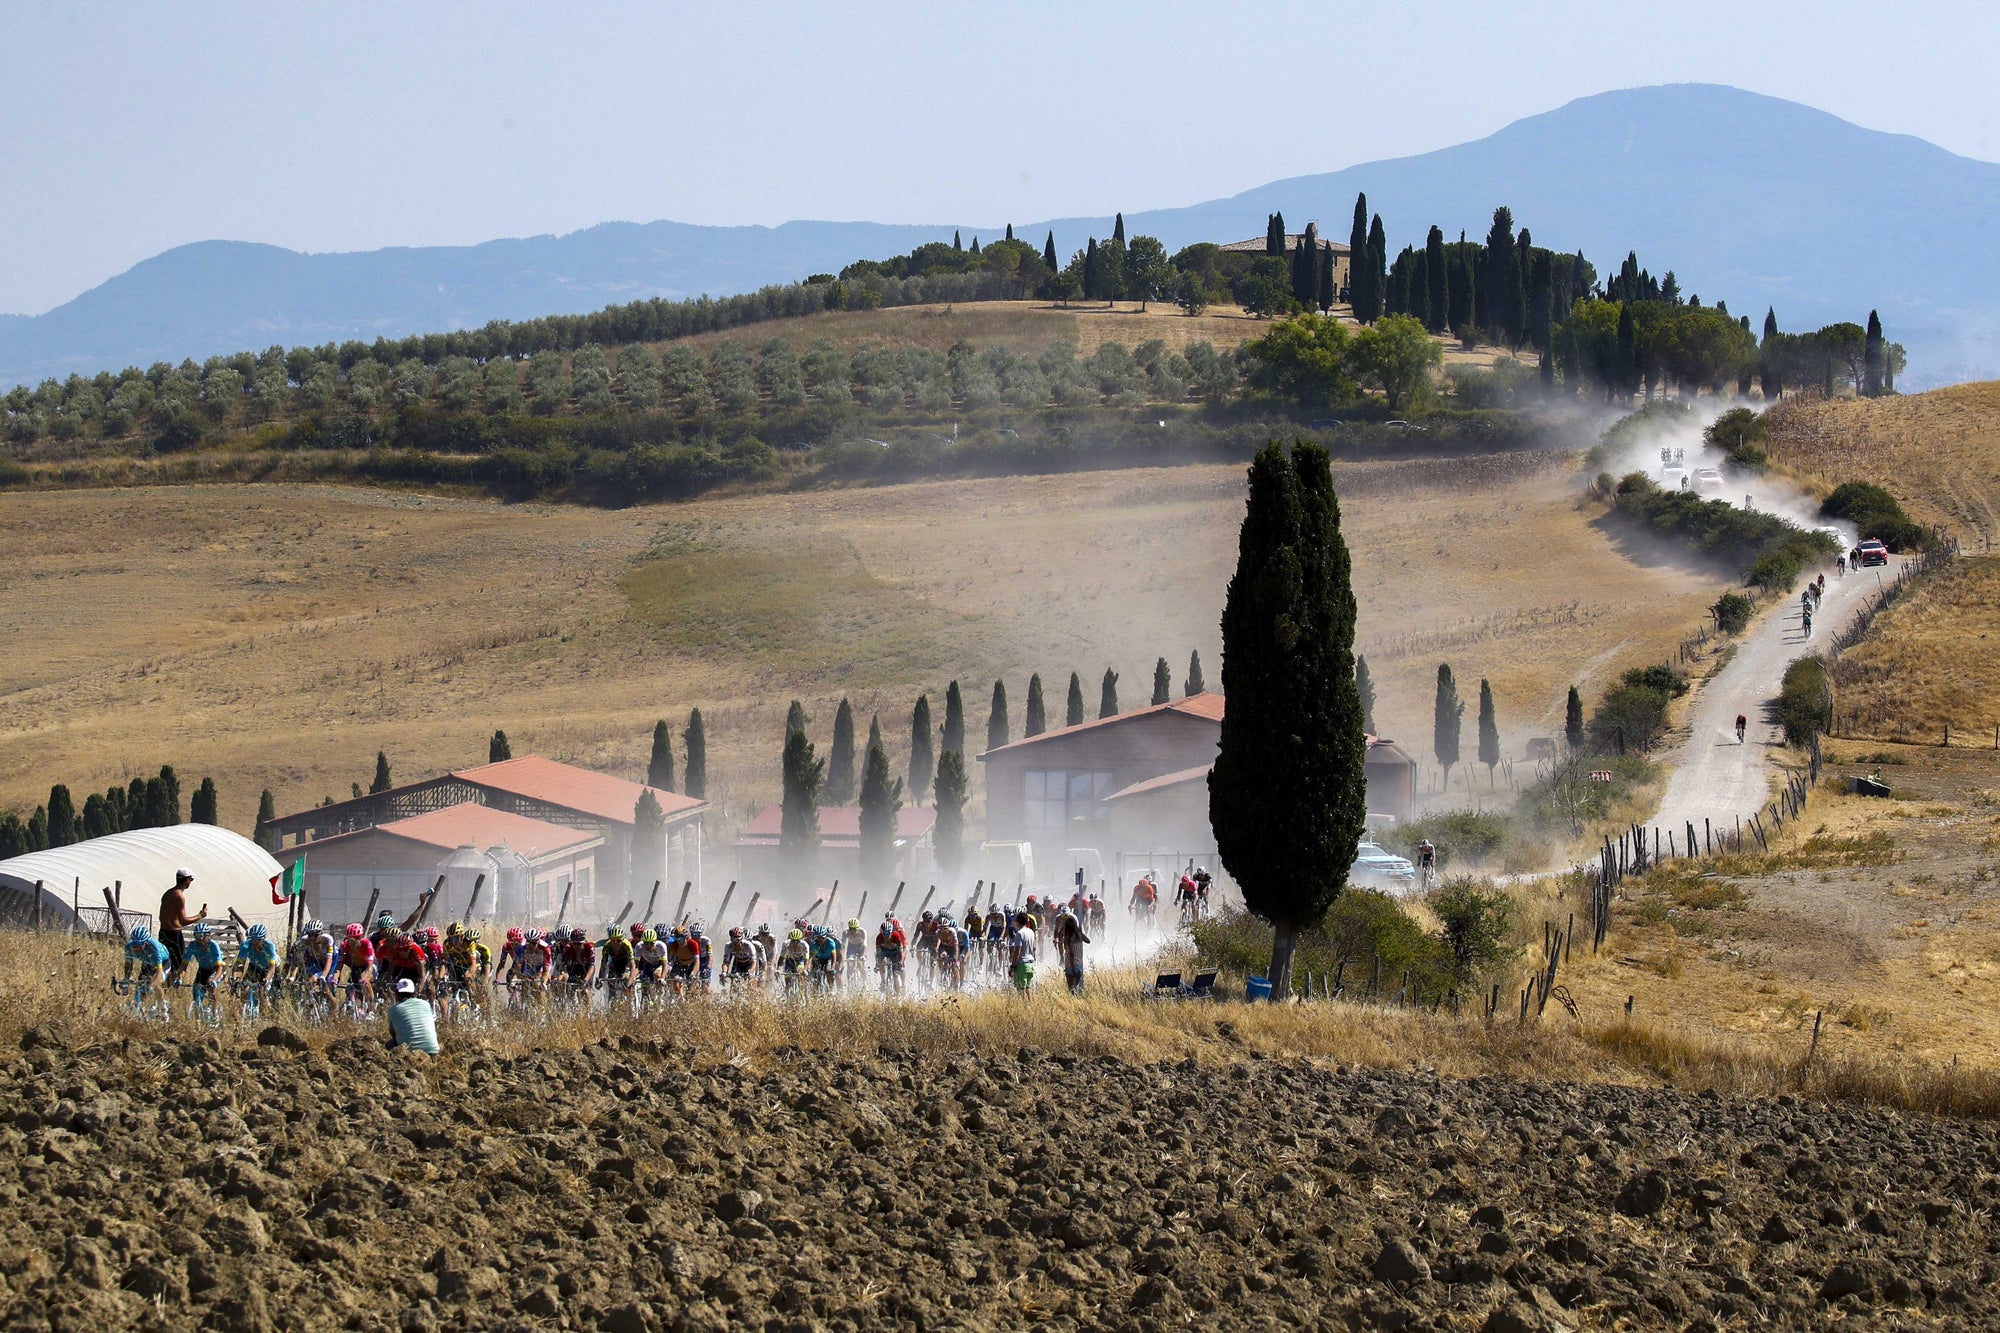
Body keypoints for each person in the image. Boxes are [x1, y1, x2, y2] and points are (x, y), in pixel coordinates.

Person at [156, 869, 206, 983]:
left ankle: (162, 984)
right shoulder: (180, 896)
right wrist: (200, 915)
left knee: (164, 961)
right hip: (174, 934)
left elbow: (162, 916)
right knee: (176, 965)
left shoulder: (168, 893)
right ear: (187, 880)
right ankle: (170, 987)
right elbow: (183, 921)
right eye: (191, 879)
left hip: (163, 932)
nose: (191, 882)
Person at [386, 978, 440, 1055]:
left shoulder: (394, 1009)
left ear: (397, 994)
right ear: (414, 993)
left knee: (390, 1044)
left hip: (409, 1053)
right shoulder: (426, 1004)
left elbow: (393, 1033)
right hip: (432, 1050)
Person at [186, 922, 224, 1012]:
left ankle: (215, 1012)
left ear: (208, 936)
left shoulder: (213, 945)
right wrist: (179, 978)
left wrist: (214, 980)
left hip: (216, 969)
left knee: (210, 984)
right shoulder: (192, 945)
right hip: (203, 969)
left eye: (202, 936)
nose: (200, 939)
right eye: (197, 936)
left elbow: (220, 967)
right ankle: (199, 1012)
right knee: (196, 991)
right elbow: (184, 964)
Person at [1052, 906, 1090, 994]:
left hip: (1071, 966)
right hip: (1078, 964)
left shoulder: (1073, 917)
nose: (1064, 918)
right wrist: (1056, 938)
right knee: (1078, 988)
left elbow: (1071, 953)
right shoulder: (1058, 918)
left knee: (1071, 988)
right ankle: (1061, 956)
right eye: (1063, 917)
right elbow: (1056, 930)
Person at [1006, 913, 1036, 992]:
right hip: (1030, 964)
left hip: (1022, 965)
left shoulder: (1019, 934)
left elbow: (1017, 951)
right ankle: (1030, 1004)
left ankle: (1023, 1004)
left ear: (1018, 922)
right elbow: (1033, 947)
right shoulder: (1031, 932)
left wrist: (1012, 966)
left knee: (1021, 991)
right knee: (1028, 990)